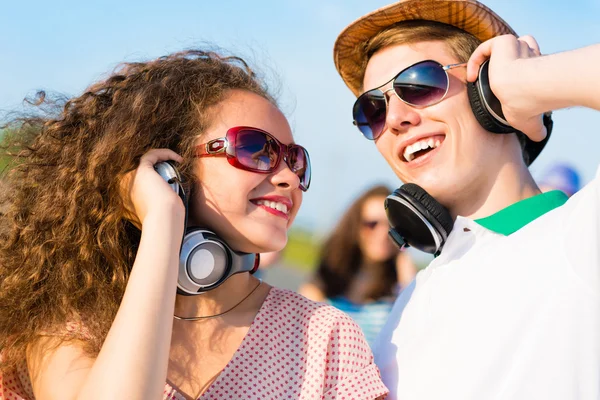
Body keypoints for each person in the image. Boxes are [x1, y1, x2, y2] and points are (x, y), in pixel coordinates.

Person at [0, 49, 388, 400]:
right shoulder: (67, 322)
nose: (288, 176)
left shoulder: (326, 337)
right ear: (171, 170)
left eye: (295, 159)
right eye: (256, 149)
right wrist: (162, 222)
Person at [332, 0, 600, 399]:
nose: (393, 120)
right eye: (372, 109)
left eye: (419, 84)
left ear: (488, 93)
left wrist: (530, 82)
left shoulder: (580, 235)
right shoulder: (412, 299)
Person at [299, 184, 416, 348]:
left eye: (390, 226)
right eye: (372, 224)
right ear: (356, 226)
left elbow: (416, 330)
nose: (382, 233)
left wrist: (406, 265)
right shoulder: (328, 275)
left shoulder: (400, 285)